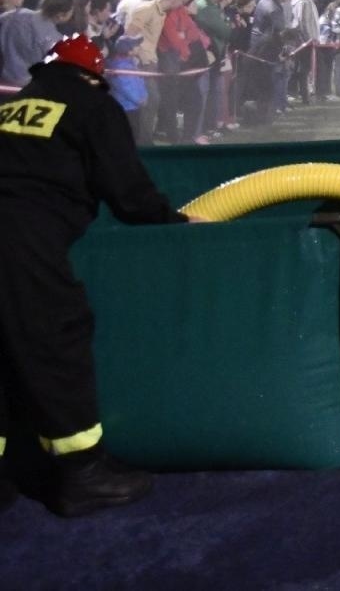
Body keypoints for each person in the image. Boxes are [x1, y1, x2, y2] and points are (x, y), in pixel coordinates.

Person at [0, 35, 207, 518]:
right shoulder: (92, 106)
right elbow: (129, 195)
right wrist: (175, 222)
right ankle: (83, 474)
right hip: (22, 238)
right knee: (53, 340)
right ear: (95, 76)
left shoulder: (13, 106)